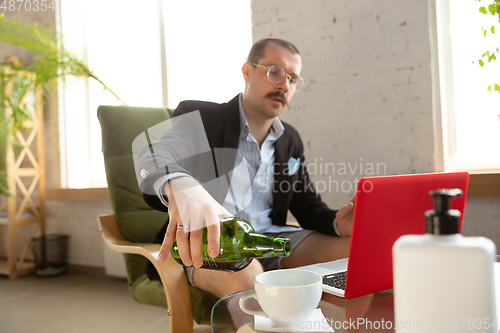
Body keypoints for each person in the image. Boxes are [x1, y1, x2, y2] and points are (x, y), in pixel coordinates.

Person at [134, 38, 355, 299]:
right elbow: (154, 152)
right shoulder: (203, 117)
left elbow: (305, 203)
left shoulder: (290, 139)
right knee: (249, 277)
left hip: (271, 239)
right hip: (211, 242)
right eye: (275, 72)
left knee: (357, 251)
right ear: (247, 72)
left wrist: (337, 223)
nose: (284, 84)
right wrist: (182, 184)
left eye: (293, 79)